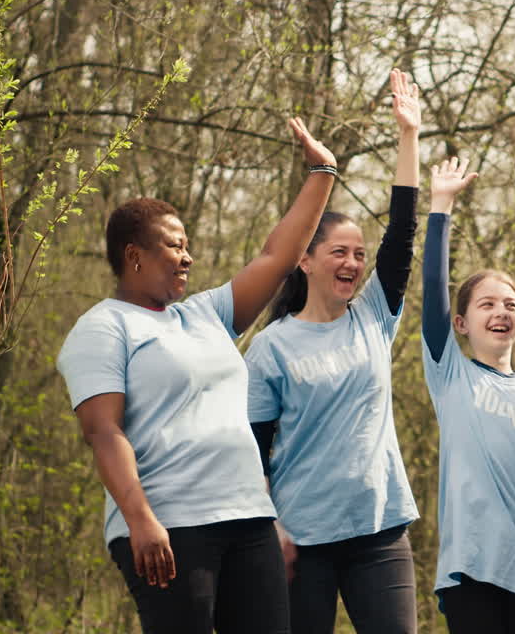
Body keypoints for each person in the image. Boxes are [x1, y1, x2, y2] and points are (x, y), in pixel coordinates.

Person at [56, 116, 338, 634]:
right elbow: (103, 431)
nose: (187, 257)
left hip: (249, 520)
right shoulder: (103, 327)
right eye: (173, 246)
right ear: (134, 255)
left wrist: (323, 172)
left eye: (187, 245)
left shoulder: (206, 314)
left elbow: (277, 257)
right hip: (170, 525)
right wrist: (139, 518)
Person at [242, 70, 422, 634]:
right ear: (305, 260)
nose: (353, 263)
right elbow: (252, 453)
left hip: (380, 531)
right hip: (301, 539)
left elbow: (402, 235)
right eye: (339, 252)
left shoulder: (373, 317)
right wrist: (271, 529)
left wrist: (409, 136)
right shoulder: (271, 348)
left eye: (359, 255)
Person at [420, 157, 515, 633]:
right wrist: (441, 207)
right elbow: (432, 289)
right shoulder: (451, 376)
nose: (501, 311)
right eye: (486, 304)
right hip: (470, 573)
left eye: (510, 304)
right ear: (461, 323)